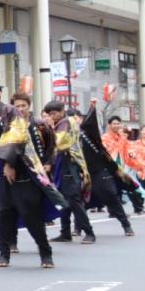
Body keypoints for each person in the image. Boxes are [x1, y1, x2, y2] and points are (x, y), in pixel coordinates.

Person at [0, 82, 64, 269]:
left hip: (24, 174)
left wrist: (9, 163)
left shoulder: (11, 112)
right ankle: (3, 254)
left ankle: (45, 252)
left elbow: (17, 138)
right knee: (4, 215)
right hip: (4, 178)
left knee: (32, 216)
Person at [70, 102, 137, 239]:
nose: (73, 120)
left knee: (111, 197)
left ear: (81, 119)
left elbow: (91, 122)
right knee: (81, 202)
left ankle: (126, 225)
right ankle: (78, 228)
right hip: (83, 174)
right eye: (70, 118)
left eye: (76, 117)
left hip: (100, 171)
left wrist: (92, 108)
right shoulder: (68, 136)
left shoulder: (88, 132)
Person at [42, 102, 95, 245]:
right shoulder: (64, 122)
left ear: (61, 111)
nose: (52, 117)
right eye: (50, 114)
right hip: (62, 165)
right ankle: (65, 232)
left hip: (69, 166)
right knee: (63, 200)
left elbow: (58, 142)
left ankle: (89, 232)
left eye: (54, 113)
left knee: (74, 201)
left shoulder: (65, 123)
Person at [102, 116, 145, 214]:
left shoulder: (122, 137)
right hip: (110, 167)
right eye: (114, 124)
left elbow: (129, 148)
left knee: (130, 186)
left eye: (118, 124)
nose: (116, 126)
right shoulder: (105, 138)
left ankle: (138, 208)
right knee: (113, 190)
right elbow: (103, 152)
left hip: (123, 166)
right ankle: (114, 212)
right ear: (110, 125)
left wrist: (132, 155)